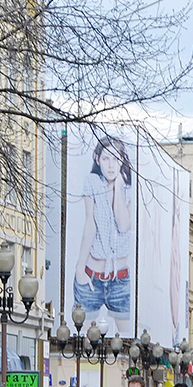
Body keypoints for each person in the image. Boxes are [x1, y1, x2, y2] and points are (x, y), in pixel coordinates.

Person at [73, 135, 134, 336]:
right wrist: (80, 268)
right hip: (93, 277)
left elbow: (124, 225)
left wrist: (117, 187)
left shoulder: (127, 188)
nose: (111, 165)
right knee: (81, 337)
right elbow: (90, 223)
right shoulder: (92, 182)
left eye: (116, 159)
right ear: (97, 159)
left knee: (127, 339)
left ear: (122, 161)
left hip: (120, 279)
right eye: (106, 158)